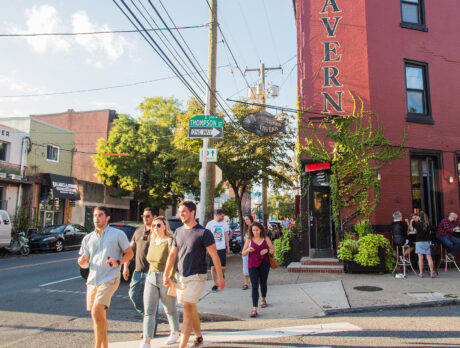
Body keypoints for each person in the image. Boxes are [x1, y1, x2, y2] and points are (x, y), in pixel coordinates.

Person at [163, 201, 225, 348]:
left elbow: (214, 256)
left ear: (192, 212)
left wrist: (220, 277)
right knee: (191, 308)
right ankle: (198, 337)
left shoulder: (204, 232)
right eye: (179, 211)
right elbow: (172, 255)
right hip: (181, 277)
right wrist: (166, 275)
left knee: (187, 309)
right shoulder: (178, 232)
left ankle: (182, 346)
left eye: (184, 211)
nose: (181, 214)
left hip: (197, 277)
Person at [77, 206, 133, 348]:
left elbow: (129, 253)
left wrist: (119, 262)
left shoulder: (118, 234)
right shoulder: (88, 238)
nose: (96, 218)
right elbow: (85, 263)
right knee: (98, 315)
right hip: (93, 280)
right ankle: (105, 345)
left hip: (110, 277)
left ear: (107, 218)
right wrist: (82, 263)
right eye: (95, 215)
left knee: (97, 310)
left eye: (100, 215)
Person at [140, 216, 180, 348]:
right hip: (151, 277)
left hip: (165, 277)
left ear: (165, 227)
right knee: (149, 310)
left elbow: (173, 260)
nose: (156, 228)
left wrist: (170, 277)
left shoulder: (169, 240)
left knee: (169, 308)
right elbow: (148, 258)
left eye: (159, 225)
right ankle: (147, 340)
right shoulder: (152, 240)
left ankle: (174, 332)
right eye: (154, 225)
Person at [123, 208, 157, 316]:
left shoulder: (158, 231)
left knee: (151, 301)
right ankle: (147, 316)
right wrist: (125, 267)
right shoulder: (138, 231)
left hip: (152, 272)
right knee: (133, 294)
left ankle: (150, 328)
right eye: (143, 216)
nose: (145, 218)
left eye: (148, 216)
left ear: (154, 217)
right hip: (138, 271)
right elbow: (130, 250)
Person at [241, 221, 275, 318]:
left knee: (263, 282)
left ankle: (263, 299)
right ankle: (254, 308)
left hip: (264, 263)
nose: (255, 232)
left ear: (261, 230)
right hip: (252, 264)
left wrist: (267, 250)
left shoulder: (265, 238)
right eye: (253, 230)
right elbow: (243, 253)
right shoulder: (249, 240)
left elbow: (273, 249)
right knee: (254, 285)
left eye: (257, 230)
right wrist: (248, 250)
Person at [205, 208, 230, 292]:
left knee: (222, 267)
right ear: (217, 215)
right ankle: (215, 284)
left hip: (222, 248)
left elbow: (226, 236)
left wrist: (228, 247)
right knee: (213, 267)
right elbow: (207, 237)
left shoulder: (224, 224)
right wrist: (206, 248)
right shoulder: (210, 224)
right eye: (222, 216)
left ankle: (221, 275)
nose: (223, 217)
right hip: (213, 248)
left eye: (224, 216)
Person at [412, 211, 436, 278]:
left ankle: (421, 273)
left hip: (419, 241)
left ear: (419, 217)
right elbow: (430, 232)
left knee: (420, 258)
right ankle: (432, 273)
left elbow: (414, 231)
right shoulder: (428, 224)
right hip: (427, 241)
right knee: (429, 257)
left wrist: (412, 220)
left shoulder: (417, 224)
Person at [241, 214, 253, 290]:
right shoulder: (245, 229)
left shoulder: (254, 228)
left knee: (254, 266)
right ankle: (246, 283)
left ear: (251, 219)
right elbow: (245, 241)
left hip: (253, 250)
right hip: (246, 250)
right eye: (245, 220)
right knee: (245, 266)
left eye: (247, 219)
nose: (246, 221)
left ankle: (254, 281)